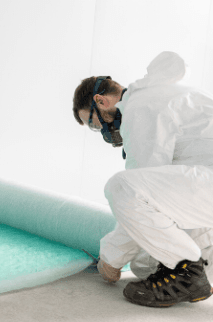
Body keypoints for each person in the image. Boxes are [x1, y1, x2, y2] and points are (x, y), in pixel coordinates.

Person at [72, 51, 213, 308]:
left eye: (92, 123)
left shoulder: (140, 107)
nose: (101, 131)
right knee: (144, 264)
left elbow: (140, 197)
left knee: (122, 186)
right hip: (205, 187)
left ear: (100, 101)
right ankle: (201, 272)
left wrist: (111, 261)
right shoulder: (163, 94)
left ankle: (188, 275)